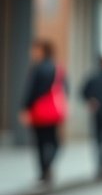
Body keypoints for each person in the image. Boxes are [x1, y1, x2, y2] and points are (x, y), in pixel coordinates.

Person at [20, 39, 68, 185]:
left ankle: (43, 171)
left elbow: (30, 91)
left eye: (35, 50)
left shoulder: (37, 69)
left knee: (40, 142)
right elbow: (65, 89)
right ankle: (48, 165)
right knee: (55, 142)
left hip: (38, 111)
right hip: (53, 111)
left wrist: (25, 108)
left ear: (41, 51)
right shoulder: (57, 68)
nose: (32, 53)